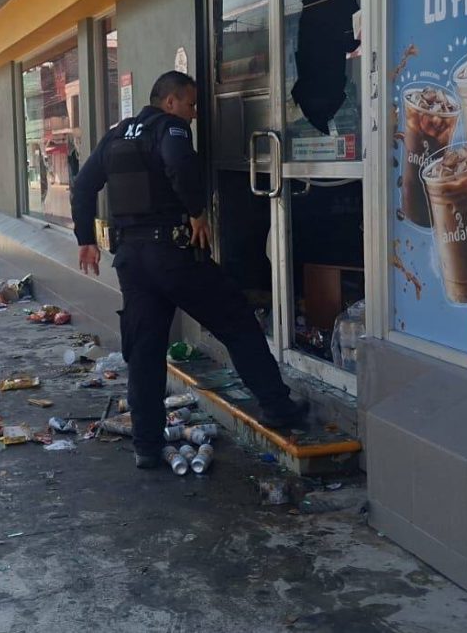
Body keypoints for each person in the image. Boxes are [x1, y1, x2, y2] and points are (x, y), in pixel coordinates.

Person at [71, 70, 307, 469]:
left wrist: (85, 239)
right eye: (191, 104)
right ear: (169, 102)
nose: (195, 113)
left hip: (131, 259)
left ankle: (146, 445)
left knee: (145, 351)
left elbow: (83, 185)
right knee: (236, 320)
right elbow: (179, 164)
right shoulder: (171, 130)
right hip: (173, 254)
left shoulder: (116, 134)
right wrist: (197, 211)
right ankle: (277, 406)